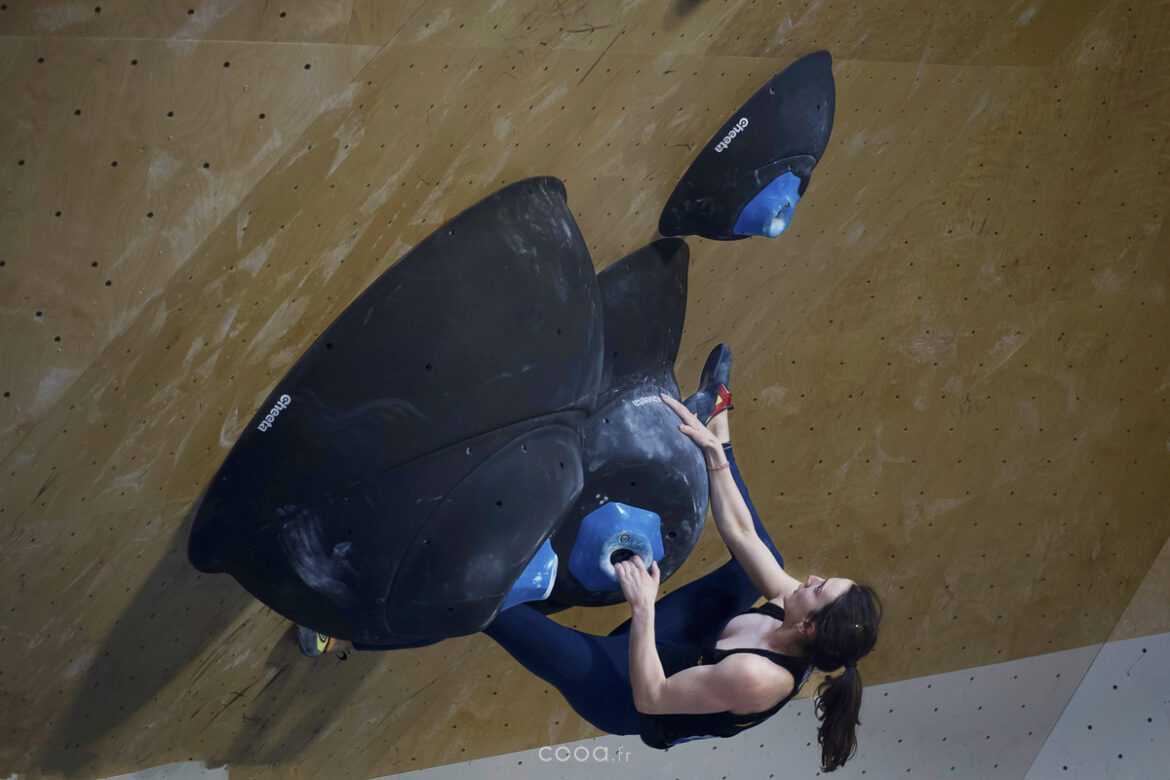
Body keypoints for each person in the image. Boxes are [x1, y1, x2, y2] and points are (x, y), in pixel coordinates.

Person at [308, 346, 882, 771]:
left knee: (489, 608)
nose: (810, 577)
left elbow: (651, 696)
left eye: (819, 585)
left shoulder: (761, 679)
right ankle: (716, 417)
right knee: (759, 559)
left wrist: (643, 610)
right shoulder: (790, 610)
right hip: (684, 651)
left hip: (627, 690)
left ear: (808, 624)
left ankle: (352, 629)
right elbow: (741, 534)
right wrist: (714, 453)